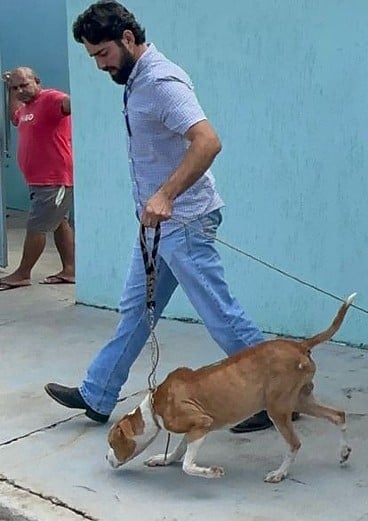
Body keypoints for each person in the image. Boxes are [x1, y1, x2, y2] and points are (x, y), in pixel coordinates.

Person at [44, 0, 283, 434]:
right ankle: (98, 393)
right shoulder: (136, 80)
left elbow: (208, 141)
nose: (99, 65)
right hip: (158, 227)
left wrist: (166, 195)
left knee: (220, 313)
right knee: (136, 311)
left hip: (185, 223)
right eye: (93, 56)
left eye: (103, 53)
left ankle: (275, 395)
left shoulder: (160, 81)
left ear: (128, 38)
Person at [0, 67, 75, 291]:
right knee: (59, 223)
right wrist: (8, 88)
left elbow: (70, 104)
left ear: (37, 81)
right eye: (15, 88)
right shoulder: (26, 108)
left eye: (24, 85)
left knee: (36, 226)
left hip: (54, 179)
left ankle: (22, 274)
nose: (20, 91)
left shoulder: (51, 99)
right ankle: (70, 270)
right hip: (39, 180)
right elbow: (15, 116)